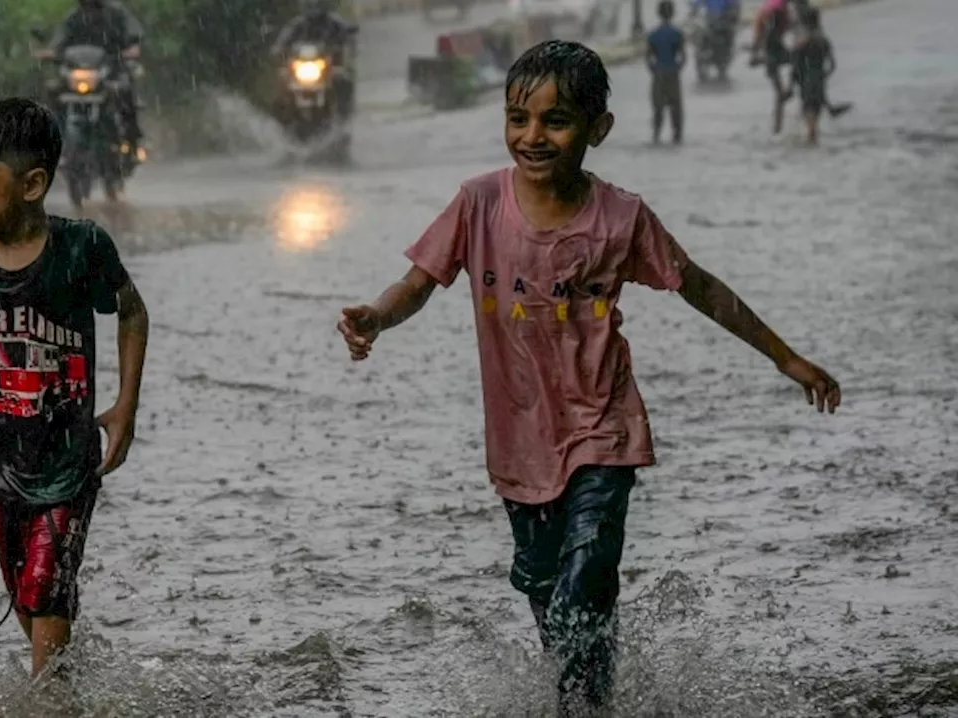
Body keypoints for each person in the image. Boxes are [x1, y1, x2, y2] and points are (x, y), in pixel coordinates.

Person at [336, 40, 841, 716]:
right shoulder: (479, 202)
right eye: (518, 118)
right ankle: (592, 703)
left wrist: (785, 357)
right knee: (546, 596)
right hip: (518, 439)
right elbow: (419, 282)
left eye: (556, 120)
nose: (533, 136)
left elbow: (700, 288)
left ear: (597, 129)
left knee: (581, 582)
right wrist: (376, 315)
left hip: (604, 429)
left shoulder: (620, 218)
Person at [0, 97, 149, 679]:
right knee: (27, 594)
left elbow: (130, 313)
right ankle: (65, 683)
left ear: (32, 184)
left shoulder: (80, 249)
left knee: (44, 588)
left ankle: (47, 702)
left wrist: (125, 404)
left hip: (66, 462)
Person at [46, 0, 145, 145]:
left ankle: (131, 136)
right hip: (79, 73)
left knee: (123, 90)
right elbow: (59, 42)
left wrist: (132, 48)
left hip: (112, 69)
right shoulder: (73, 17)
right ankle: (54, 138)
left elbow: (133, 35)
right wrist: (50, 52)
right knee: (53, 90)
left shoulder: (116, 14)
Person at [270, 0, 359, 123]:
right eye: (311, 4)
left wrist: (343, 46)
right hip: (300, 69)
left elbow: (348, 37)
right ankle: (279, 121)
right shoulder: (297, 25)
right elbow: (282, 41)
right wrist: (278, 49)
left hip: (328, 69)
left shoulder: (334, 24)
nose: (314, 9)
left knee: (343, 78)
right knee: (281, 81)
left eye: (317, 4)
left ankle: (343, 117)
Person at [790, 7, 845, 145]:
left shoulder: (803, 42)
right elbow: (832, 65)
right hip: (820, 81)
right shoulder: (824, 40)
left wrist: (791, 84)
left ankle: (811, 148)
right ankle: (814, 145)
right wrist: (823, 76)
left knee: (808, 118)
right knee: (815, 120)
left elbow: (796, 65)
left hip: (806, 81)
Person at [750, 0, 793, 134]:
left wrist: (755, 53)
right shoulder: (774, 14)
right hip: (772, 54)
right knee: (780, 93)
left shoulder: (773, 12)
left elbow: (760, 37)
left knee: (780, 93)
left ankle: (777, 127)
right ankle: (777, 128)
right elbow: (763, 36)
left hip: (776, 51)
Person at [646, 0, 685, 145]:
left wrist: (654, 70)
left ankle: (656, 134)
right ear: (672, 13)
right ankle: (677, 135)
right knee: (676, 106)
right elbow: (683, 56)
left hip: (659, 73)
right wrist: (677, 68)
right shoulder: (677, 33)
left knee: (658, 106)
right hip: (672, 72)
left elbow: (648, 57)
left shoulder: (653, 34)